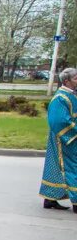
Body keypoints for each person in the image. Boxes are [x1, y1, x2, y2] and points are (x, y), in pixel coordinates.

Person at [39, 67, 77, 213]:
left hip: (70, 138)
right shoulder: (60, 98)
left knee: (56, 167)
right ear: (66, 81)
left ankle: (50, 199)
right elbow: (59, 121)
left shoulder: (72, 95)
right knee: (72, 168)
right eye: (75, 78)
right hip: (64, 140)